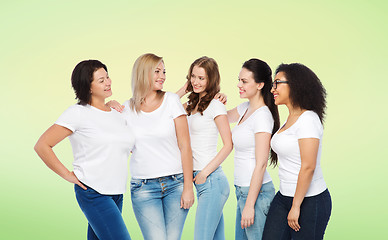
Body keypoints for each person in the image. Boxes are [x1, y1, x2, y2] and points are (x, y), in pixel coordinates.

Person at [34, 60, 134, 240]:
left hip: (117, 192)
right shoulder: (77, 113)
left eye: (108, 77)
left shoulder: (116, 113)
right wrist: (67, 175)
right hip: (93, 191)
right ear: (88, 87)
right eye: (101, 80)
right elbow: (42, 145)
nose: (108, 82)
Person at [120, 53, 194, 240]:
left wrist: (187, 187)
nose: (163, 76)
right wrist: (109, 105)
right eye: (157, 71)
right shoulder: (126, 109)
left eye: (164, 72)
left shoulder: (172, 101)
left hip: (175, 184)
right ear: (143, 73)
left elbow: (185, 146)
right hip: (143, 188)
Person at [262, 63, 332, 240]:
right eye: (272, 84)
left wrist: (296, 205)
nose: (273, 89)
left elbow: (308, 166)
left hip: (309, 200)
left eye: (277, 83)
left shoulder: (308, 119)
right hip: (284, 196)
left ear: (295, 84)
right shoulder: (290, 118)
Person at [177, 56, 232, 240]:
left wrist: (204, 173)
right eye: (193, 76)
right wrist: (185, 88)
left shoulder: (216, 105)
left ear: (211, 80)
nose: (196, 81)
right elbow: (166, 108)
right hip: (202, 181)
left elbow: (228, 145)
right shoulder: (190, 105)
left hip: (211, 180)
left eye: (202, 78)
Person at [226, 58, 280, 239]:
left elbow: (261, 164)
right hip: (242, 192)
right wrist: (218, 101)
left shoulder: (263, 116)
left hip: (256, 195)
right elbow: (219, 117)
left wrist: (249, 205)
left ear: (259, 85)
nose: (239, 85)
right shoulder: (244, 108)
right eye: (239, 80)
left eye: (244, 81)